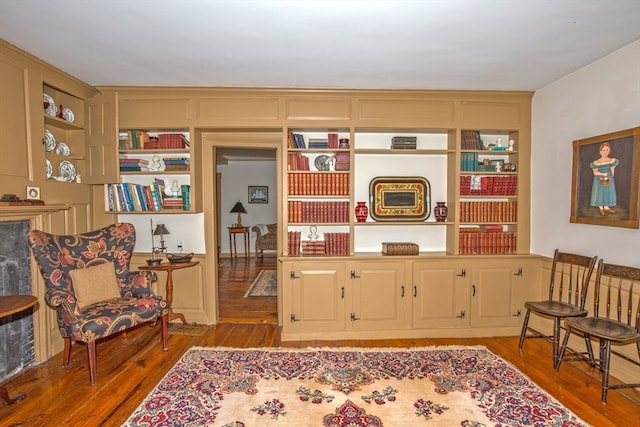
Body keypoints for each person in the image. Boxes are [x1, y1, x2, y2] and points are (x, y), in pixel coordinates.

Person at [590, 142, 619, 216]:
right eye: (603, 150)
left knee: (608, 191)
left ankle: (606, 207)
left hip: (609, 178)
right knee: (600, 192)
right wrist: (602, 174)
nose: (605, 151)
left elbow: (612, 171)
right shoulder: (596, 162)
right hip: (599, 179)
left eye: (607, 150)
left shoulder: (612, 161)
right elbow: (595, 172)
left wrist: (612, 176)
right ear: (600, 151)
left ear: (609, 151)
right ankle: (601, 207)